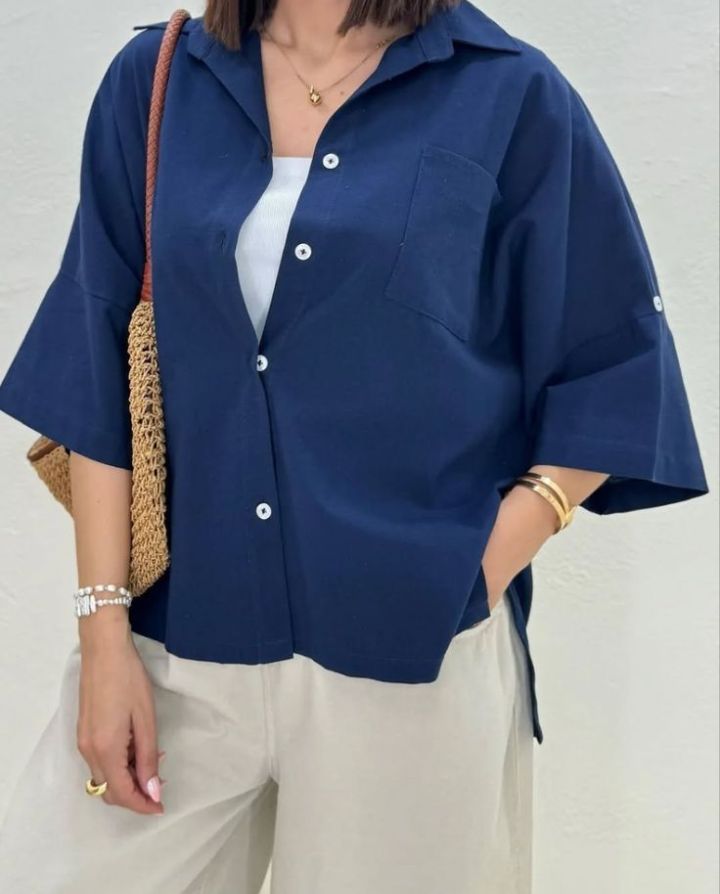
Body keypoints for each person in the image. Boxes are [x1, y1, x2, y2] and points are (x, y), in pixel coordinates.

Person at [0, 1, 709, 892]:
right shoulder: (158, 81)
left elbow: (610, 362)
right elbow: (95, 355)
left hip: (410, 656)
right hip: (176, 646)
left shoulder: (510, 92)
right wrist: (103, 634)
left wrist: (477, 570)